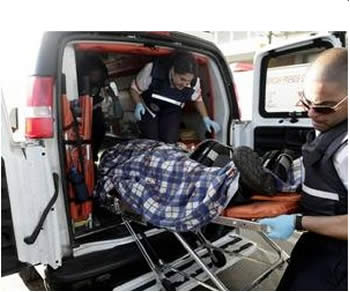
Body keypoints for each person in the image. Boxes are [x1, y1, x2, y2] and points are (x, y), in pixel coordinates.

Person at [260, 48, 348, 290]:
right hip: (318, 243)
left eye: (324, 107)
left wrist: (299, 222)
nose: (311, 113)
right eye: (307, 101)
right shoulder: (332, 129)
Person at [129, 52, 220, 143]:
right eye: (182, 79)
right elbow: (134, 89)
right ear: (172, 71)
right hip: (149, 108)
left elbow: (198, 99)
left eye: (188, 81)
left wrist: (206, 118)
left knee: (169, 140)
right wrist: (138, 104)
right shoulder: (152, 70)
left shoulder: (194, 82)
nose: (185, 84)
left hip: (172, 110)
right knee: (151, 140)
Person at [77, 53, 108, 161]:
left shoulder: (100, 77)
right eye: (95, 74)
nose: (97, 75)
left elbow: (102, 86)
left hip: (94, 107)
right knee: (83, 132)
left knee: (100, 128)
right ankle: (85, 156)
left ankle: (93, 154)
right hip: (82, 108)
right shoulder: (81, 72)